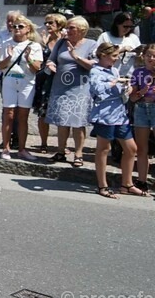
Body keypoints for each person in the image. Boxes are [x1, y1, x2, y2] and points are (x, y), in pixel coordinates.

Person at [45, 16, 97, 168]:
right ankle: (61, 151)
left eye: (71, 28)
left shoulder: (91, 44)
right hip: (60, 87)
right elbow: (51, 59)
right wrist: (50, 65)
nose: (67, 30)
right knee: (62, 121)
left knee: (78, 123)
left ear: (82, 30)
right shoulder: (61, 42)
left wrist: (76, 56)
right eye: (67, 27)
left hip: (80, 88)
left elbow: (92, 66)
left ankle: (78, 154)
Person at [91, 43, 137, 199]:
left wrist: (127, 88)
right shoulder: (95, 71)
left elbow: (121, 91)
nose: (117, 59)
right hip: (105, 115)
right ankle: (102, 186)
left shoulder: (114, 69)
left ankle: (127, 184)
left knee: (131, 149)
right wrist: (114, 82)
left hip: (119, 114)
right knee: (103, 150)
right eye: (114, 56)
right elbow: (97, 89)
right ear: (103, 55)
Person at [0, 18, 43, 161]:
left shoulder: (35, 46)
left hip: (26, 82)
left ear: (28, 29)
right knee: (8, 115)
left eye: (20, 26)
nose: (17, 28)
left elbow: (36, 68)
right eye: (14, 26)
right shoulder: (6, 44)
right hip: (10, 81)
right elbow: (0, 66)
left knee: (23, 116)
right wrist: (9, 56)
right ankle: (6, 148)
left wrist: (28, 58)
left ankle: (22, 149)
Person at [34, 14, 66, 152]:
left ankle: (62, 146)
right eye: (46, 23)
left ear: (59, 25)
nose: (47, 26)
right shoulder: (42, 40)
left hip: (61, 81)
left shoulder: (65, 41)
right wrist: (42, 44)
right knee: (43, 113)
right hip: (45, 80)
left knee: (62, 114)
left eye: (51, 23)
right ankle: (43, 143)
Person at [127, 44, 155, 195]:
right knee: (142, 148)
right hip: (142, 108)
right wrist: (141, 92)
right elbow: (132, 97)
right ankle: (142, 181)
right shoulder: (138, 73)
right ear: (143, 56)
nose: (151, 59)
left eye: (154, 56)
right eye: (148, 55)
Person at [97, 12, 141, 78]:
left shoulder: (133, 37)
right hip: (110, 75)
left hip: (130, 75)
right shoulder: (105, 36)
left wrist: (139, 53)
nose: (128, 29)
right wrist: (120, 50)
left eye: (130, 26)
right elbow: (97, 54)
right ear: (117, 24)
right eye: (125, 26)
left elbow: (140, 59)